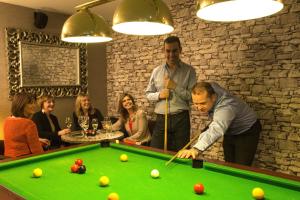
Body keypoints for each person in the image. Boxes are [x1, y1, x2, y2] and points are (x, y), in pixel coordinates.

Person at [178, 82, 262, 166]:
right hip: (230, 130)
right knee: (229, 163)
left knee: (241, 166)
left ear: (213, 97)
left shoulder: (226, 107)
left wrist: (196, 149)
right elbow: (211, 84)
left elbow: (216, 129)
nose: (199, 108)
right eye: (196, 103)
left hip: (247, 130)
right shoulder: (210, 87)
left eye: (203, 103)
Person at [145, 36, 196, 151]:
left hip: (181, 119)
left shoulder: (189, 71)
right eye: (168, 51)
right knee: (156, 152)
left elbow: (192, 97)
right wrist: (159, 95)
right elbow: (148, 94)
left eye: (174, 50)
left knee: (181, 154)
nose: (171, 54)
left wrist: (175, 86)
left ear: (180, 50)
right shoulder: (156, 71)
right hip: (161, 119)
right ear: (164, 51)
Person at [3, 93, 47, 157]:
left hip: (8, 159)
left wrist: (38, 140)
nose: (34, 105)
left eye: (34, 103)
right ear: (21, 105)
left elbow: (18, 139)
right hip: (24, 159)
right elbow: (37, 151)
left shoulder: (7, 120)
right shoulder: (29, 124)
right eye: (30, 103)